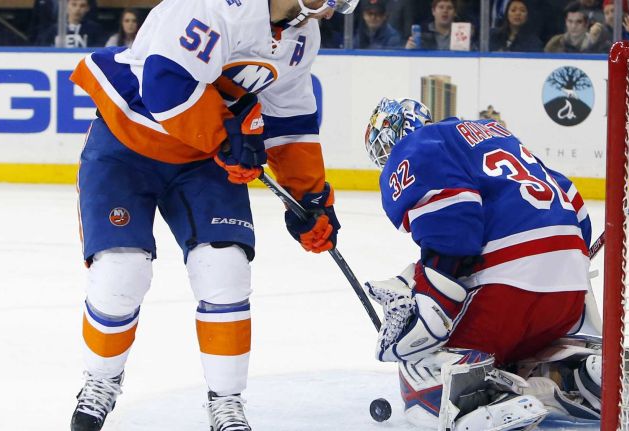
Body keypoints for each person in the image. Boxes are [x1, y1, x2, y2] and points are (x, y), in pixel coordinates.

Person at [67, 0, 355, 429]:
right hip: (127, 144)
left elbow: (290, 118)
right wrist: (226, 137)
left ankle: (226, 400)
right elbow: (165, 84)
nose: (333, 12)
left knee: (225, 269)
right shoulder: (218, 6)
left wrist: (310, 197)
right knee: (120, 273)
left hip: (205, 157)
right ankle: (101, 380)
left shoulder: (301, 36)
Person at [363, 97, 600, 429]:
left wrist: (432, 307)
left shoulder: (416, 146)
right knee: (520, 343)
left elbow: (452, 228)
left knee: (419, 365)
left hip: (505, 296)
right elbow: (574, 205)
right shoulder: (497, 135)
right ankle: (573, 374)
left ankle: (481, 395)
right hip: (566, 298)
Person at [405, 0, 472, 50]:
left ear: (455, 13)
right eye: (441, 7)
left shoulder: (462, 32)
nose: (445, 11)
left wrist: (470, 42)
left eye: (449, 8)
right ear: (433, 11)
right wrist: (408, 49)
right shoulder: (422, 32)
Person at [36, 0, 104, 47]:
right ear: (66, 6)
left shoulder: (95, 30)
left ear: (87, 8)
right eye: (74, 4)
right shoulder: (52, 30)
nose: (77, 9)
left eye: (82, 6)